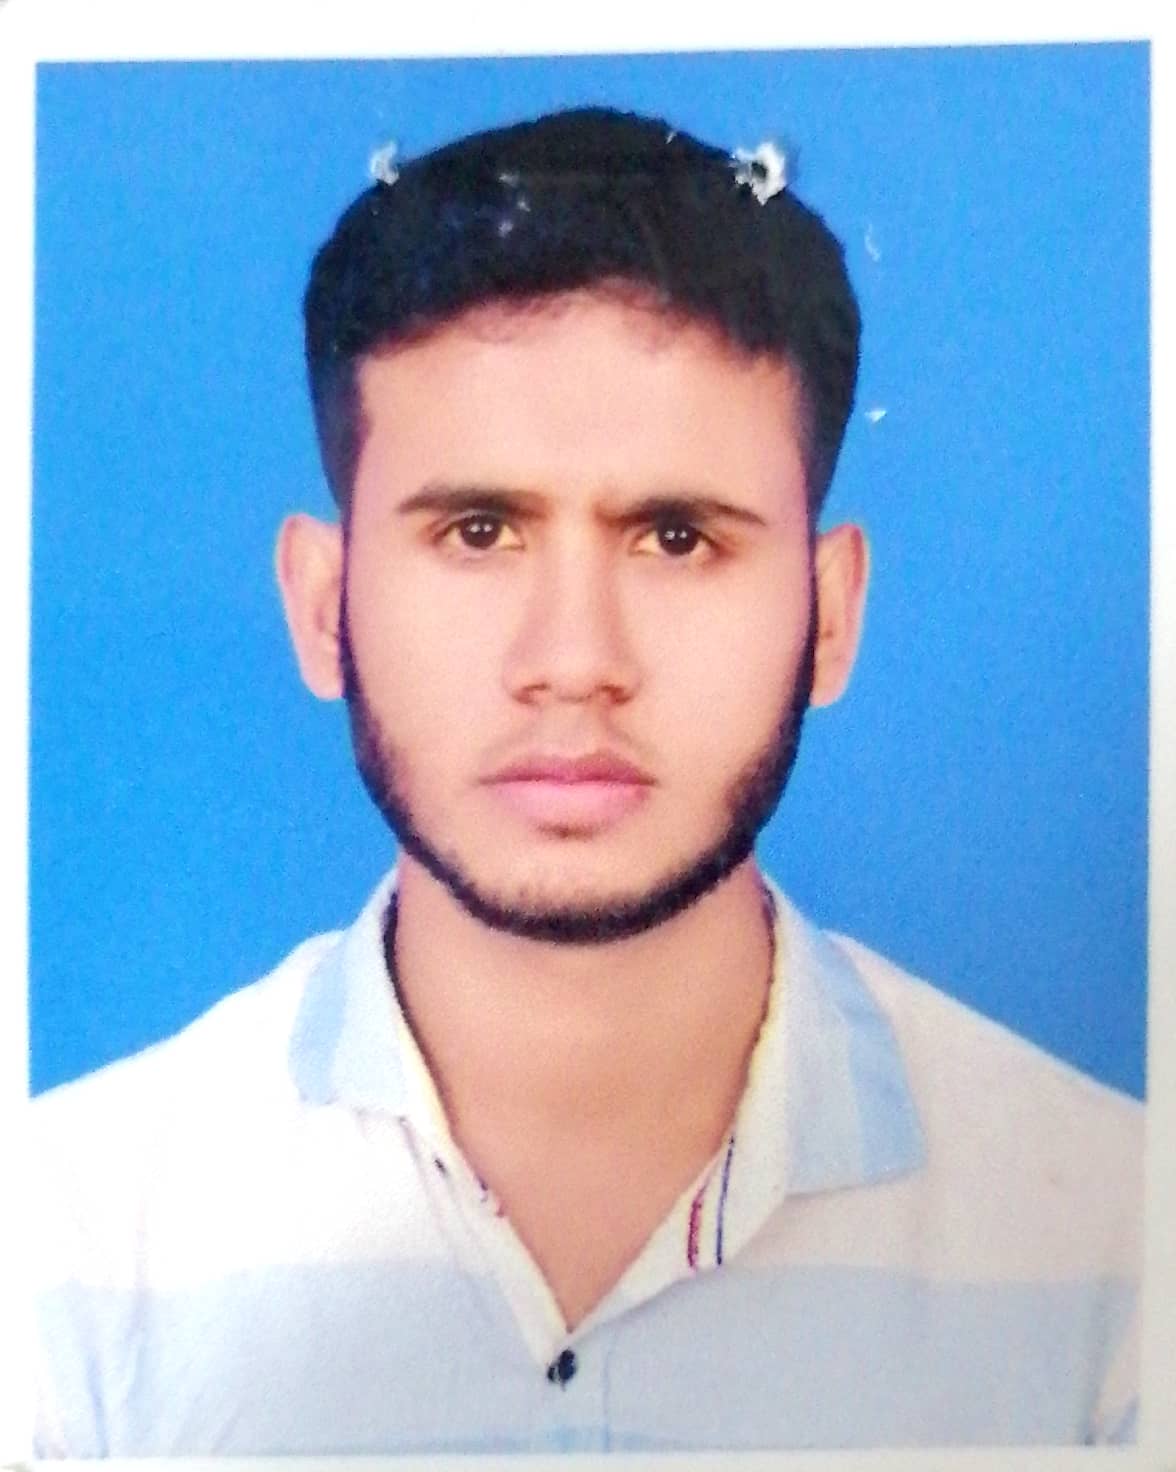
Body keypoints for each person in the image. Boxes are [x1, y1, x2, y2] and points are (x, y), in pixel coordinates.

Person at [30, 106, 1142, 1457]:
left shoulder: (1121, 1259)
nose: (573, 663)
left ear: (831, 615)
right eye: (478, 530)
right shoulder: (58, 1259)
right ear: (322, 608)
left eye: (675, 538)